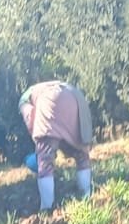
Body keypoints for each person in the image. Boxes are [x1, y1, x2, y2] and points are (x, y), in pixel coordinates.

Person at [19, 80, 94, 212]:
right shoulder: (44, 86)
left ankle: (47, 208)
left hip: (50, 99)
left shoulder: (24, 99)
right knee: (81, 154)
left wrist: (40, 149)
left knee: (45, 159)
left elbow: (30, 119)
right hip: (76, 97)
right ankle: (86, 196)